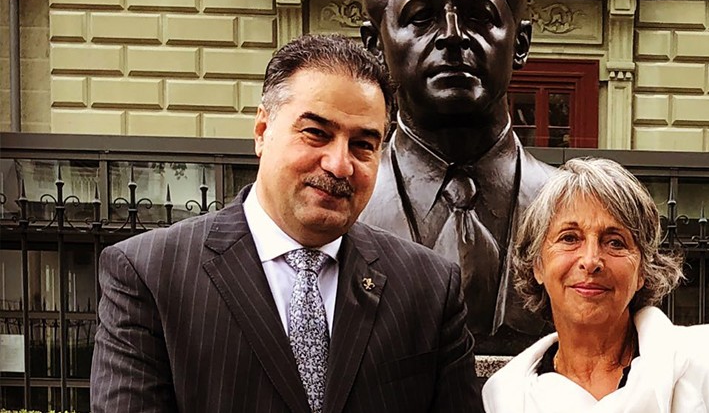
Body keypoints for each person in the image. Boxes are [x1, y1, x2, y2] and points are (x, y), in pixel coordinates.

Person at [90, 34, 481, 413]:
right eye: (316, 133)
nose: (339, 164)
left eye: (363, 144)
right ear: (262, 131)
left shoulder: (429, 287)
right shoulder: (150, 275)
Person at [359, 0, 556, 349]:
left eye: (478, 15)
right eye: (421, 17)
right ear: (375, 46)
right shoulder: (344, 206)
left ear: (520, 43)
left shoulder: (569, 206)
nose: (452, 35)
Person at [482, 157, 709, 412]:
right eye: (569, 238)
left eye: (615, 242)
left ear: (642, 271)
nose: (591, 261)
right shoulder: (507, 396)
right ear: (537, 265)